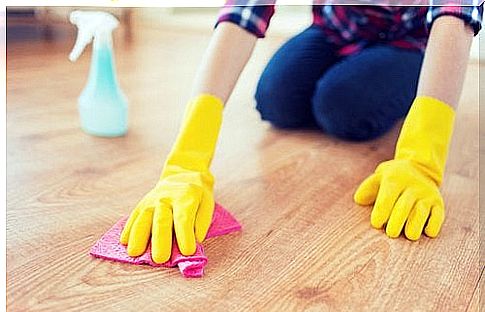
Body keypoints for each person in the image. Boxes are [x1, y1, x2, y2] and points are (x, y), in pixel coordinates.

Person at [119, 1, 482, 263]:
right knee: (275, 102)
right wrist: (185, 162)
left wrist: (421, 160)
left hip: (408, 41)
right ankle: (350, 73)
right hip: (335, 29)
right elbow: (243, 13)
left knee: (342, 109)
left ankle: (393, 79)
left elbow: (454, 16)